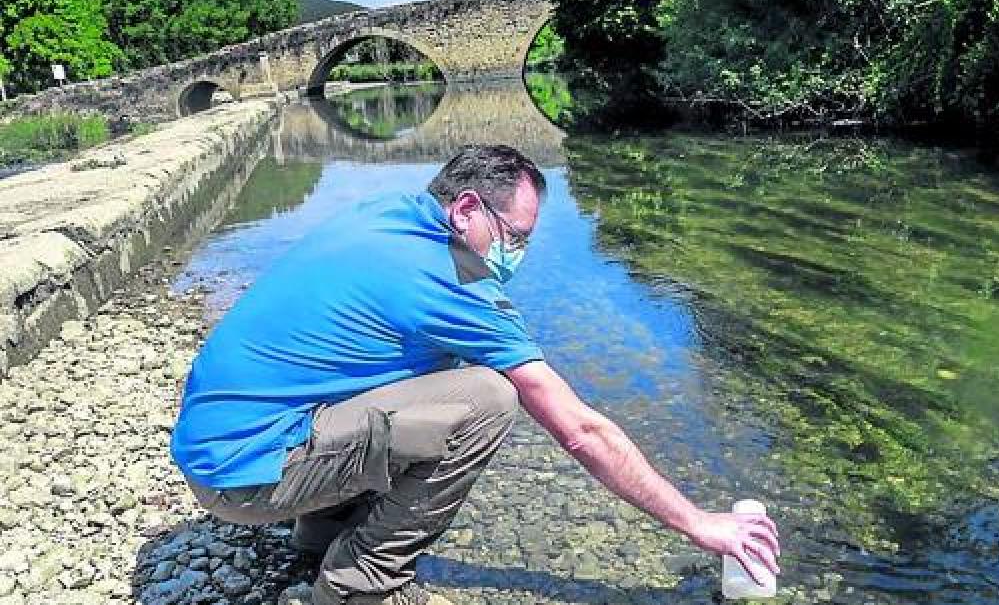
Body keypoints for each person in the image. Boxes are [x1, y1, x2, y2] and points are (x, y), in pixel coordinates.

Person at [170, 144, 780, 605]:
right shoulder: (444, 281)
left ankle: (318, 534)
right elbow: (580, 431)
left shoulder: (389, 215)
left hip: (220, 448)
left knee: (421, 370)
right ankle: (359, 579)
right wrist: (699, 523)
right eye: (515, 236)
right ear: (466, 208)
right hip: (243, 480)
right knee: (487, 397)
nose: (517, 255)